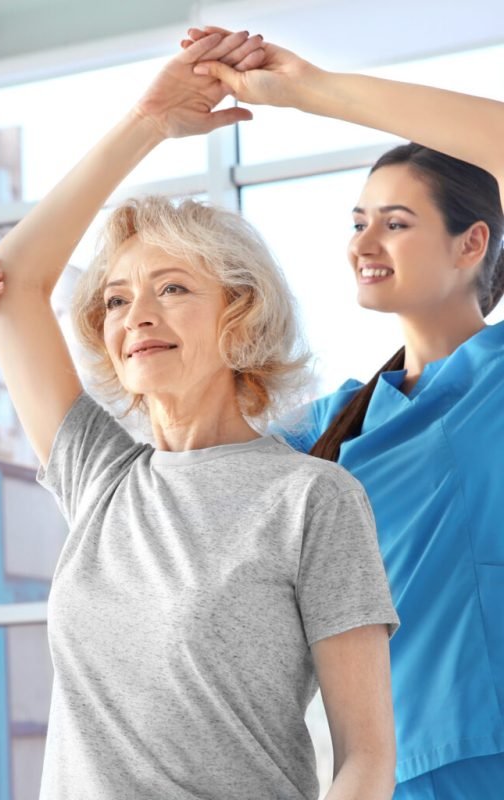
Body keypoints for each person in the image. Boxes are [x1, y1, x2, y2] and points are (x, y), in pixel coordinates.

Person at [0, 32, 399, 800]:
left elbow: (366, 759)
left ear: (241, 313)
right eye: (119, 299)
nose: (137, 316)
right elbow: (13, 283)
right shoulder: (99, 475)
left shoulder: (313, 500)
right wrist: (150, 122)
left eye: (172, 288)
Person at [177, 29, 504, 800]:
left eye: (395, 221)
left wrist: (309, 91)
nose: (364, 240)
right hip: (392, 771)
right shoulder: (333, 425)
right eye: (357, 221)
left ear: (472, 243)